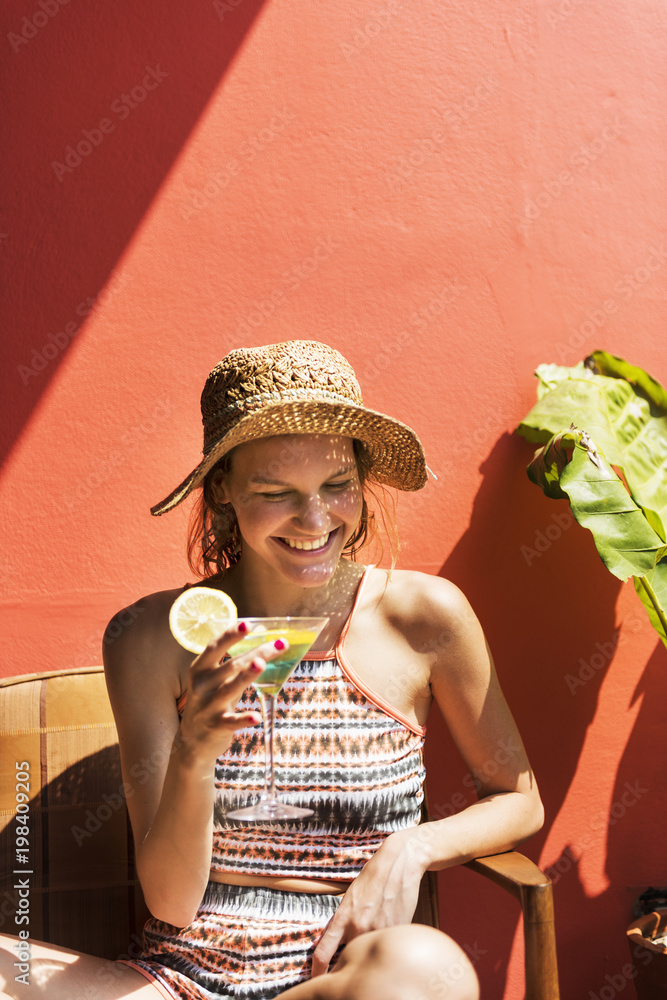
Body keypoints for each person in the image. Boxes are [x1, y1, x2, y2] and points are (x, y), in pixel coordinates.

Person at [0, 340, 543, 1000]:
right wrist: (195, 756)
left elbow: (519, 798)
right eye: (275, 492)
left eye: (336, 486)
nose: (314, 521)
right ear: (223, 487)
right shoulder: (150, 636)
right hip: (174, 982)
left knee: (428, 967)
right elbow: (172, 904)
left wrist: (412, 847)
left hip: (335, 978)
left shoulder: (424, 615)